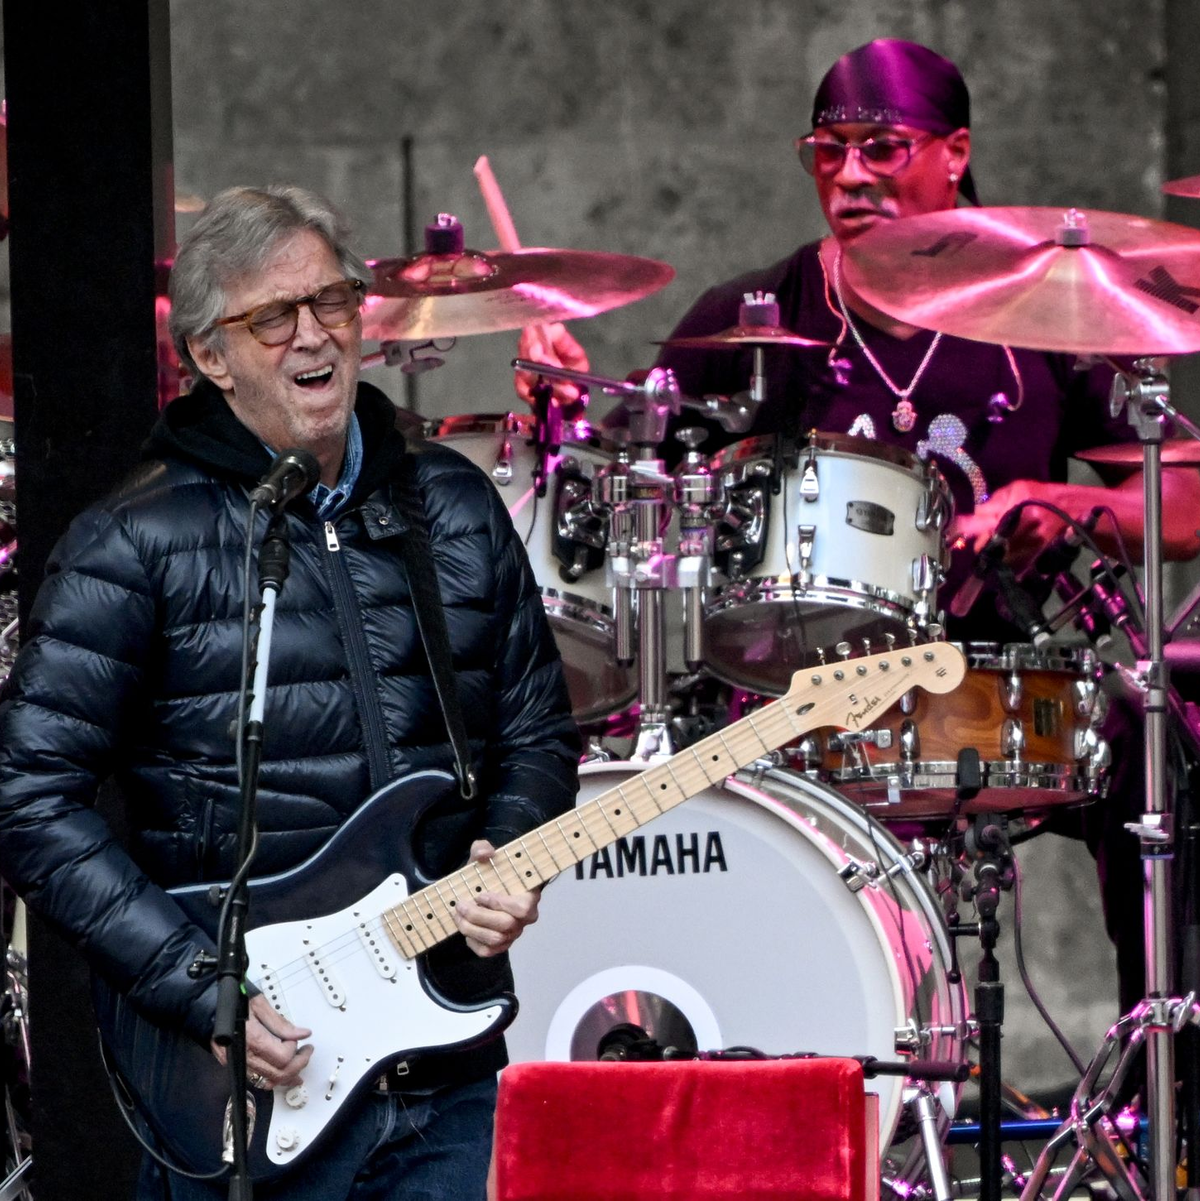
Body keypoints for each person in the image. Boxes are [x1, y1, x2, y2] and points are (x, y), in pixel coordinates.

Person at [516, 40, 1200, 1015]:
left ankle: (1159, 1083)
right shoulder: (755, 321)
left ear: (954, 152)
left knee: (1160, 744)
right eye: (828, 154)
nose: (851, 177)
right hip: (809, 701)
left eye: (882, 149)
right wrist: (565, 411)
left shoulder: (1048, 312)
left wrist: (1065, 507)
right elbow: (635, 499)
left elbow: (1181, 510)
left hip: (1001, 681)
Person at [0, 184, 580, 1199]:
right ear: (211, 358)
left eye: (334, 301)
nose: (314, 335)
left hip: (443, 1058)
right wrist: (198, 987)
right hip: (248, 1072)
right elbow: (29, 796)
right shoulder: (134, 541)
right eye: (274, 317)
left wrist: (509, 854)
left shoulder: (448, 501)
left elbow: (534, 725)